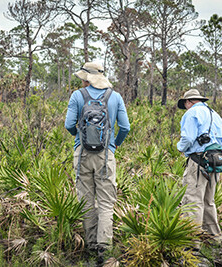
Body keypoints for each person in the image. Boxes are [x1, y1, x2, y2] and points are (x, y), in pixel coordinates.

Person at [65, 62, 130, 262]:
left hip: (82, 154)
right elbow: (125, 127)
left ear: (87, 78)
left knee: (86, 200)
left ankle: (91, 245)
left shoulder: (78, 95)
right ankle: (104, 247)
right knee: (105, 202)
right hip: (105, 157)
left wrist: (79, 139)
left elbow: (69, 124)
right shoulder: (115, 97)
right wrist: (113, 145)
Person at [176, 89, 222, 245]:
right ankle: (214, 238)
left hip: (198, 161)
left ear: (189, 102)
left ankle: (192, 242)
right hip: (216, 162)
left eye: (186, 104)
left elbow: (188, 138)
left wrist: (179, 147)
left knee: (193, 200)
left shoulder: (192, 113)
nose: (186, 107)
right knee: (209, 200)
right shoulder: (216, 115)